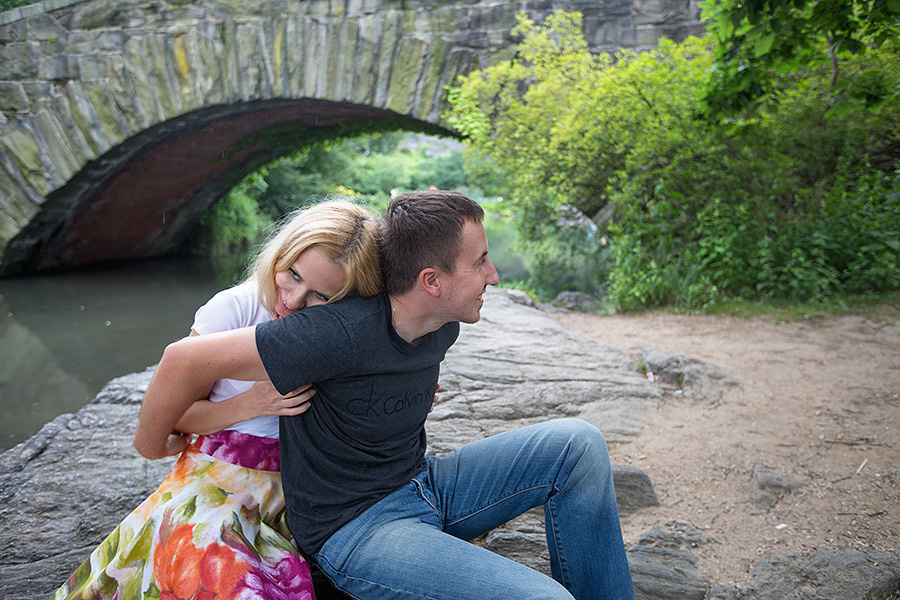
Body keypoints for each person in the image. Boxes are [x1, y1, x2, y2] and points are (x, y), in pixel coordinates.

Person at [135, 190, 635, 600]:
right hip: (359, 530)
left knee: (578, 444)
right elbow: (183, 359)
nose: (494, 275)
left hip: (424, 484)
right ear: (431, 281)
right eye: (481, 262)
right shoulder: (331, 332)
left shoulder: (443, 324)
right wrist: (153, 444)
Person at [51, 200, 383, 600]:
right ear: (280, 253)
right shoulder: (235, 309)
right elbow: (179, 417)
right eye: (293, 275)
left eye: (321, 295)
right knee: (226, 576)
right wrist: (252, 404)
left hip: (309, 483)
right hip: (225, 475)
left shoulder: (351, 328)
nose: (294, 300)